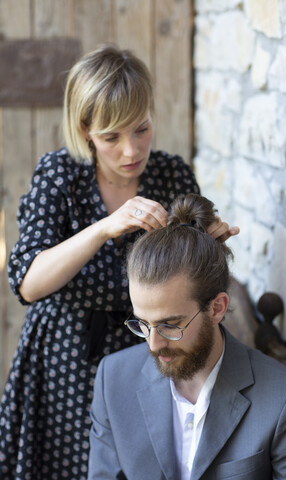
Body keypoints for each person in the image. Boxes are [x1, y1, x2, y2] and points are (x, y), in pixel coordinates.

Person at [0, 45, 238, 480]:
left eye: (141, 129)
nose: (131, 150)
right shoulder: (60, 175)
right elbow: (28, 284)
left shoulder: (171, 174)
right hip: (65, 361)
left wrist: (208, 243)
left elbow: (191, 270)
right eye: (111, 137)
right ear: (85, 130)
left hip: (149, 353)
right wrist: (105, 227)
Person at [88, 193, 286, 480]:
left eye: (170, 324)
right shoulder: (112, 380)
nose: (153, 344)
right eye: (143, 324)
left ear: (217, 308)